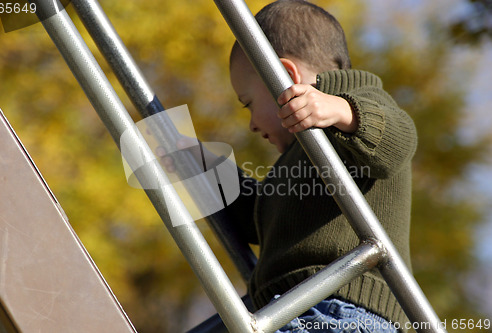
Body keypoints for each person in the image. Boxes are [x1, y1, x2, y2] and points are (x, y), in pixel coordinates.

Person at [161, 0, 416, 331]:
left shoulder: (360, 104)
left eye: (249, 104)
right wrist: (208, 167)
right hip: (290, 306)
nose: (252, 124)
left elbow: (398, 140)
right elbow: (259, 218)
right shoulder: (299, 157)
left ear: (284, 76)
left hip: (344, 310)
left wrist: (341, 111)